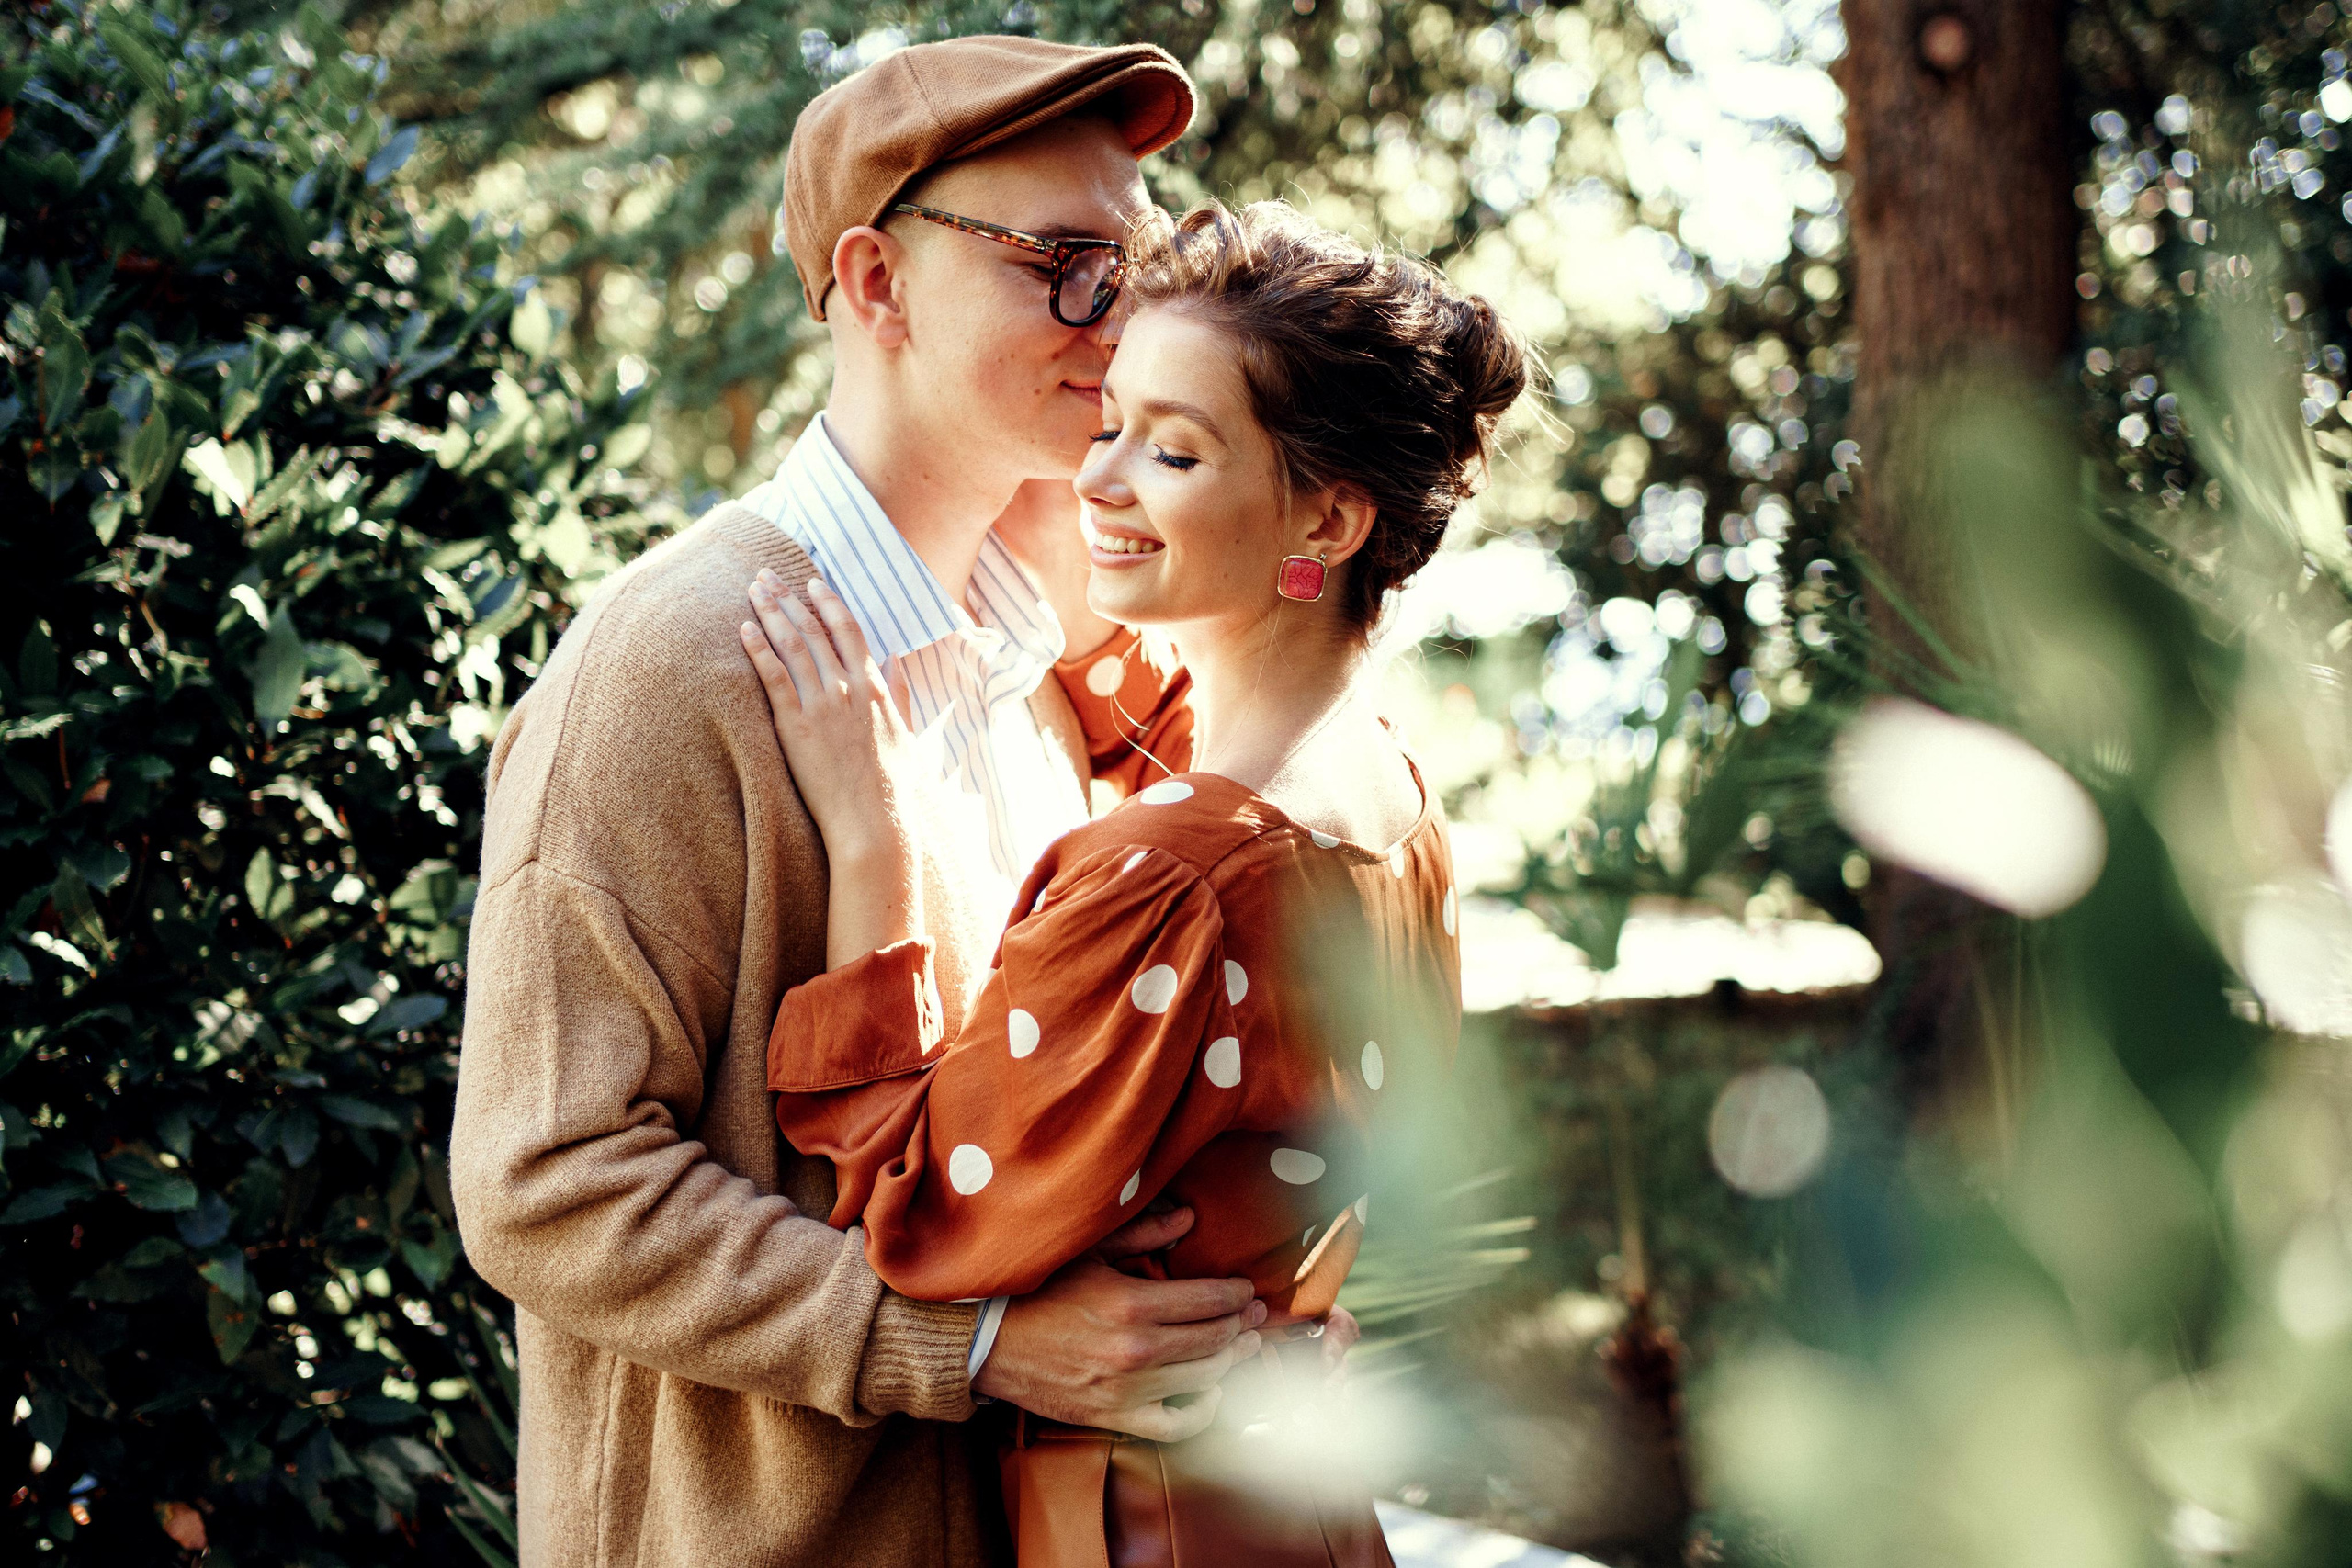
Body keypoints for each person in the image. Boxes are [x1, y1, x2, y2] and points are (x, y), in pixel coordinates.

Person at [450, 39, 1272, 1568]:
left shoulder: (1033, 665)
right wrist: (971, 1345)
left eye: (1141, 267)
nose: (1124, 320)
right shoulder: (670, 664)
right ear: (878, 285)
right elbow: (545, 1181)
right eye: (1069, 266)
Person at [739, 199, 1529, 1565]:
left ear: (1329, 518)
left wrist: (870, 826)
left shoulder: (1174, 875)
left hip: (1150, 1522)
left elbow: (912, 1206)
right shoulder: (1391, 806)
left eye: (1171, 450)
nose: (1095, 479)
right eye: (1106, 424)